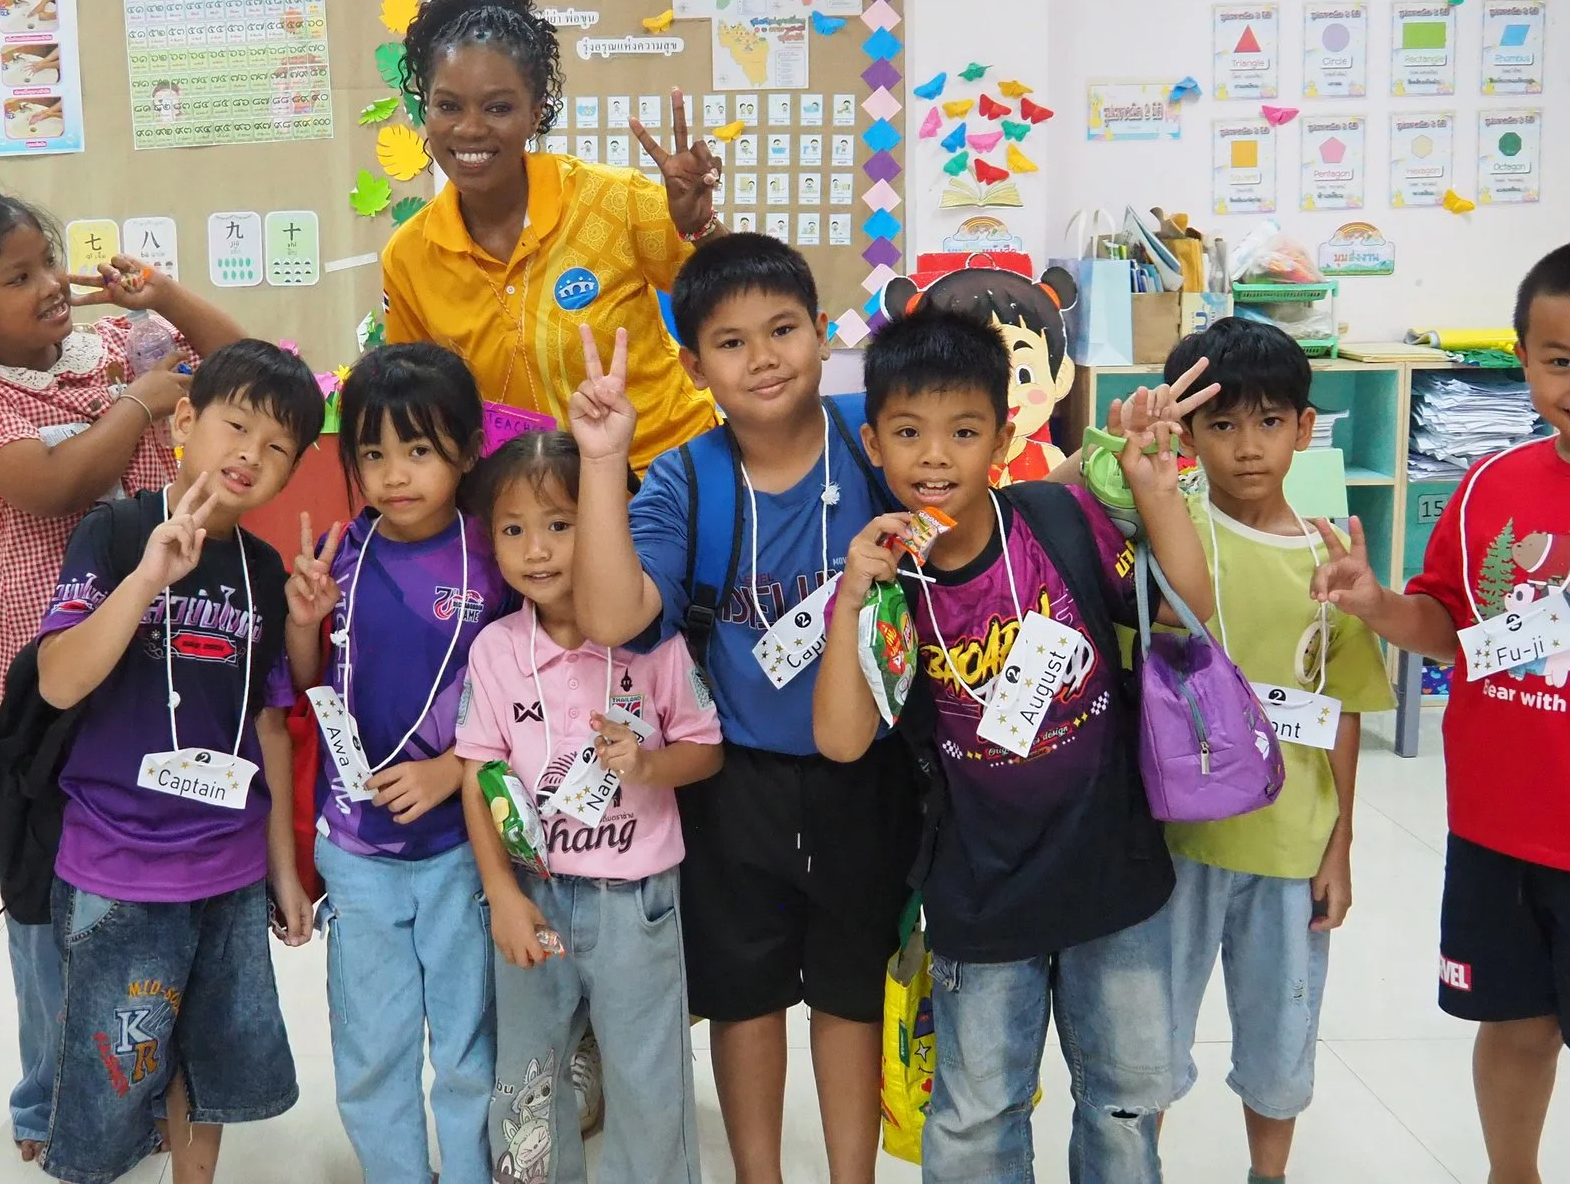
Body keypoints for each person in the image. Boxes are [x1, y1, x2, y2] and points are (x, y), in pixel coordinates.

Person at [1310, 239, 1570, 1184]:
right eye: (1560, 360)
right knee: (1513, 1027)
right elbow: (1454, 633)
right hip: (1494, 834)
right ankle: (1511, 1174)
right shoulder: (1490, 485)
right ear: (1522, 358)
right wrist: (1378, 607)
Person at [809, 307, 1212, 1184]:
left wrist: (1156, 489)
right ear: (873, 444)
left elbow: (1187, 611)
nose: (935, 457)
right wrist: (850, 599)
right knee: (978, 1111)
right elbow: (841, 741)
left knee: (1125, 1099)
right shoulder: (890, 584)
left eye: (962, 431)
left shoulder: (1055, 522)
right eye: (908, 433)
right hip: (980, 891)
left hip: (1114, 869)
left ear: (1000, 437)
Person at [563, 233, 918, 1184]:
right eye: (731, 342)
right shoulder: (686, 476)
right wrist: (605, 459)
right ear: (692, 365)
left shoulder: (878, 442)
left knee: (849, 996)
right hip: (735, 788)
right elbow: (613, 617)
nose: (763, 357)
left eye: (784, 328)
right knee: (745, 998)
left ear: (820, 334)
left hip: (868, 777)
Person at [0, 189, 244, 1161]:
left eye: (49, 262)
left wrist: (167, 296)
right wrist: (139, 398)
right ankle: (49, 1098)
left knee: (136, 897)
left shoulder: (114, 345)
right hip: (39, 675)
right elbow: (53, 484)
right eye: (19, 276)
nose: (52, 285)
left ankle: (136, 1081)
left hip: (152, 665)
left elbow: (241, 368)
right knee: (44, 908)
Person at [29, 340, 325, 1184]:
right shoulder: (117, 531)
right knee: (113, 1075)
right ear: (185, 422)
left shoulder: (263, 572)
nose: (251, 456)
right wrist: (150, 575)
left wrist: (284, 873)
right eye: (236, 427)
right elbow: (58, 680)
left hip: (227, 869)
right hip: (118, 867)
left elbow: (271, 728)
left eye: (277, 448)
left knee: (212, 1060)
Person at [1146, 318, 1393, 1184]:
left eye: (1270, 421)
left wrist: (1342, 844)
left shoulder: (1330, 559)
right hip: (1177, 843)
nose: (1248, 447)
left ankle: (1269, 1174)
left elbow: (1347, 708)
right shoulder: (1173, 541)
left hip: (1291, 844)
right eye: (1222, 424)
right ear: (1186, 432)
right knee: (1151, 1041)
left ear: (1306, 427)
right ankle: (1142, 1164)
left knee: (1281, 1036)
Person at [455, 431, 724, 1184]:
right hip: (532, 896)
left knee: (648, 1079)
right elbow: (478, 774)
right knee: (529, 1080)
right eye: (513, 530)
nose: (536, 550)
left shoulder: (654, 646)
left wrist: (646, 764)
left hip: (635, 902)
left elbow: (706, 751)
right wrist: (503, 896)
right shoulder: (496, 650)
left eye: (560, 524)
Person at [281, 343, 508, 1183]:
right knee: (372, 1042)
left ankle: (475, 1170)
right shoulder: (344, 552)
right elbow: (308, 689)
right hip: (357, 848)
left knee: (467, 1039)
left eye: (418, 449)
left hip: (462, 848)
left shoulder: (496, 554)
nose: (393, 473)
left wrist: (453, 769)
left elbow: (528, 694)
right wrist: (305, 619)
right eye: (371, 453)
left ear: (468, 447)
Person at [379, 0, 727, 468]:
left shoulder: (615, 201)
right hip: (532, 506)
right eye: (448, 106)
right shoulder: (410, 256)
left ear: (535, 113)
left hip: (665, 478)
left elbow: (741, 301)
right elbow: (418, 404)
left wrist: (700, 228)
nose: (470, 128)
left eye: (498, 107)